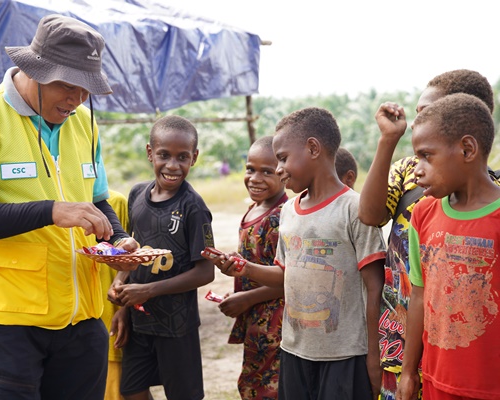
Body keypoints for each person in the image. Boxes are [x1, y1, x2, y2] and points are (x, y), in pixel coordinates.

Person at [0, 14, 138, 399]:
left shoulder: (83, 125)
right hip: (8, 324)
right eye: (68, 86)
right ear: (35, 69)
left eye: (86, 90)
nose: (77, 100)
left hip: (81, 319)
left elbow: (96, 200)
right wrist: (51, 211)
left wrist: (121, 240)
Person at [206, 107, 387, 400]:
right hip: (293, 351)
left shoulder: (355, 209)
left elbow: (374, 286)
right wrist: (243, 268)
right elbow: (284, 275)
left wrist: (373, 357)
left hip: (346, 356)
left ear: (313, 148)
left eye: (282, 158)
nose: (279, 169)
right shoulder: (289, 210)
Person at [357, 69, 496, 400]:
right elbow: (370, 214)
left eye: (426, 113)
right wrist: (388, 140)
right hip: (406, 340)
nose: (415, 123)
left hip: (477, 363)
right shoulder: (412, 181)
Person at [397, 93, 500, 400]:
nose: (417, 169)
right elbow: (418, 295)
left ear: (467, 149)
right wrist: (407, 371)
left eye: (427, 156)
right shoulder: (423, 214)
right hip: (436, 381)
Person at [109, 115, 215, 400]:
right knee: (131, 390)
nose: (172, 165)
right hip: (139, 321)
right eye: (164, 155)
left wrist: (148, 290)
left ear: (194, 158)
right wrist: (121, 289)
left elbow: (206, 272)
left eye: (182, 157)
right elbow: (135, 253)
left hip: (176, 325)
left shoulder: (193, 208)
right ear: (149, 153)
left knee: (183, 394)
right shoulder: (137, 195)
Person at [220, 135, 286, 399]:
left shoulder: (282, 216)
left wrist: (246, 298)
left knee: (269, 387)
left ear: (284, 173)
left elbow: (287, 279)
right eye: (250, 169)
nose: (255, 178)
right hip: (255, 319)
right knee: (252, 382)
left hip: (276, 323)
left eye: (267, 172)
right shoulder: (253, 210)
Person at [100, 190, 130, 400]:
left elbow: (130, 263)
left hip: (107, 322)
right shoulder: (48, 209)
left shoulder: (114, 203)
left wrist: (125, 311)